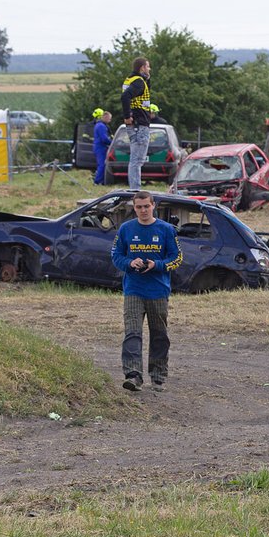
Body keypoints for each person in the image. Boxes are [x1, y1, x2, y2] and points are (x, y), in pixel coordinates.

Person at [110, 191, 182, 392]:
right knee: (132, 332)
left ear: (153, 206)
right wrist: (129, 262)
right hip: (133, 289)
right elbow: (116, 255)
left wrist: (156, 265)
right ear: (134, 208)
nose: (143, 210)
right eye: (139, 207)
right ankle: (133, 375)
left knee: (159, 334)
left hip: (158, 290)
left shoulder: (166, 230)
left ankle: (158, 377)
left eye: (146, 206)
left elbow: (177, 258)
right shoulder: (126, 229)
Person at [121, 57, 153, 190]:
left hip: (135, 123)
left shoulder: (131, 80)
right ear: (142, 68)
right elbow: (125, 97)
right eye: (148, 66)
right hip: (139, 124)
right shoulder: (138, 82)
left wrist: (147, 79)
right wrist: (127, 116)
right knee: (137, 160)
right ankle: (135, 190)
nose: (149, 68)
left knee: (136, 160)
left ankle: (134, 188)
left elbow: (136, 95)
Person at [93, 109, 113, 185]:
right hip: (101, 147)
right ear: (105, 118)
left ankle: (100, 180)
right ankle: (98, 181)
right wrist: (112, 143)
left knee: (101, 164)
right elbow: (104, 138)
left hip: (99, 147)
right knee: (102, 164)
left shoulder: (99, 125)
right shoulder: (101, 126)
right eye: (109, 119)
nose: (110, 120)